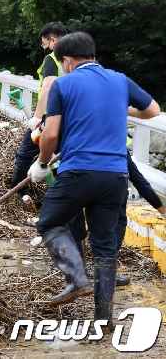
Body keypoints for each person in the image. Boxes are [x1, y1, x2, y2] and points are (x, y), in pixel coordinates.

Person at [28, 32, 160, 330]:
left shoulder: (64, 83)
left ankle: (76, 277)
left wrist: (41, 164)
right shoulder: (120, 80)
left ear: (67, 61)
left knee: (48, 223)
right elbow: (153, 110)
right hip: (115, 176)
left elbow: (49, 134)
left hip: (78, 172)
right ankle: (104, 318)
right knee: (104, 245)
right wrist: (116, 107)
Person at [68, 146, 166, 286]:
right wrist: (161, 209)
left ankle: (79, 274)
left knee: (75, 220)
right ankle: (105, 274)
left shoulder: (81, 137)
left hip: (79, 182)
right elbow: (137, 179)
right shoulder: (117, 144)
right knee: (116, 222)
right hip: (109, 188)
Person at [10, 22, 67, 195]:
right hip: (70, 118)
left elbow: (48, 86)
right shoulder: (77, 58)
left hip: (49, 119)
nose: (45, 48)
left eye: (44, 43)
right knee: (62, 159)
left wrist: (36, 117)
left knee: (25, 154)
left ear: (53, 41)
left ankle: (16, 193)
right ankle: (64, 198)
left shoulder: (53, 59)